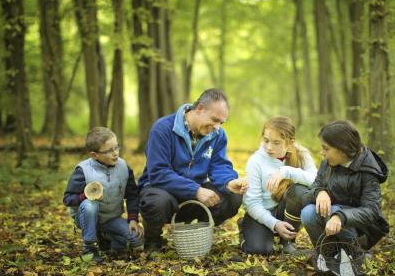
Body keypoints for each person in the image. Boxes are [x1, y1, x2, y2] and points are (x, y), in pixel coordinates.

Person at [138, 88, 248, 251]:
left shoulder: (218, 135)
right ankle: (153, 237)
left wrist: (229, 181)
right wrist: (195, 190)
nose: (217, 127)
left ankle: (197, 233)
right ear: (199, 109)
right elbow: (158, 173)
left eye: (221, 123)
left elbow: (219, 165)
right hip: (163, 193)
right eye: (214, 120)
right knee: (157, 201)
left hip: (196, 196)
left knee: (232, 197)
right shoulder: (162, 129)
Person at [300, 120, 389, 253]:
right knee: (308, 212)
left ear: (342, 150)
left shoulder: (368, 171)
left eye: (326, 148)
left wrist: (341, 216)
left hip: (361, 229)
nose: (322, 153)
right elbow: (307, 195)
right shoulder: (327, 164)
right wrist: (319, 192)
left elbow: (371, 211)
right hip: (332, 217)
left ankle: (356, 253)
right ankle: (328, 253)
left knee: (335, 210)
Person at [63, 127, 143, 263]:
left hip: (110, 218)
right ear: (95, 155)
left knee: (137, 238)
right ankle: (90, 248)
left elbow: (132, 195)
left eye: (116, 147)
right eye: (109, 150)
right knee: (90, 205)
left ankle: (107, 238)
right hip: (86, 217)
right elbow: (67, 199)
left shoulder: (123, 167)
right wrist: (85, 196)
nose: (115, 153)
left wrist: (133, 219)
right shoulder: (83, 171)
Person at [240, 116, 318, 255]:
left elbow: (317, 181)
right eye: (266, 140)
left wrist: (287, 172)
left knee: (300, 190)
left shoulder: (302, 154)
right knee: (260, 250)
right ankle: (245, 228)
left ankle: (287, 242)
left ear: (290, 142)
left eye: (276, 142)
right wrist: (274, 224)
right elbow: (252, 203)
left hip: (286, 209)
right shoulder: (256, 161)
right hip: (263, 210)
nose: (269, 147)